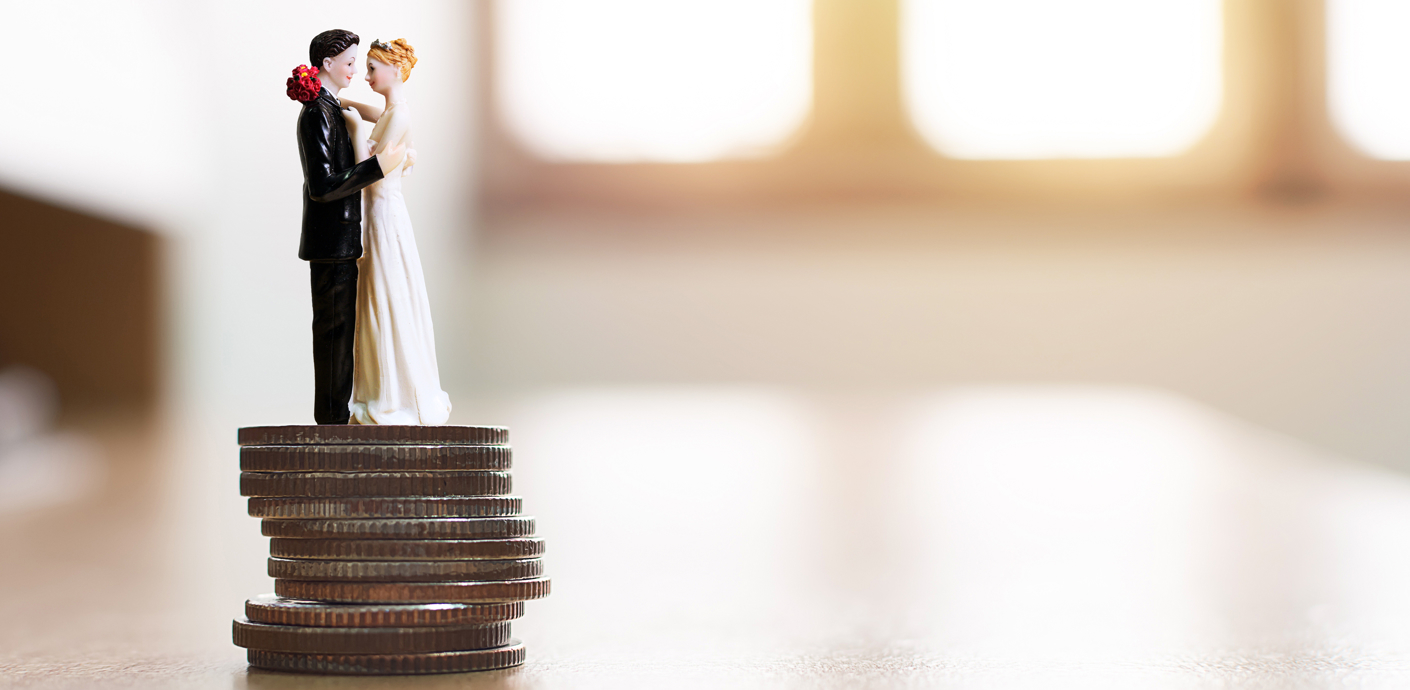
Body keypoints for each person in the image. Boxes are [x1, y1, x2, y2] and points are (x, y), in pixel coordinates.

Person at [340, 38, 452, 425]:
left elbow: (374, 166)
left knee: (385, 288)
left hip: (382, 210)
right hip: (380, 208)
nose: (365, 76)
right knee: (378, 288)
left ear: (395, 70)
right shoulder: (394, 110)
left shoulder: (400, 116)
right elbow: (382, 116)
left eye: (372, 68)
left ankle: (392, 393)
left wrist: (352, 126)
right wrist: (355, 107)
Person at [296, 29, 406, 425]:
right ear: (327, 64)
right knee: (332, 334)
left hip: (342, 240)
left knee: (341, 334)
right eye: (349, 63)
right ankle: (330, 422)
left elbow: (381, 116)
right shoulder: (316, 115)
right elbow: (323, 186)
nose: (355, 70)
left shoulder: (330, 106)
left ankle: (336, 418)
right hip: (330, 241)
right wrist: (376, 167)